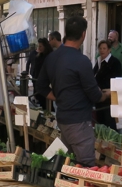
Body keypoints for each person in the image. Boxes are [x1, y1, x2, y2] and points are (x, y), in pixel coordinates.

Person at [35, 16, 109, 166]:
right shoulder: (82, 61)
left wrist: (59, 97)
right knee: (87, 165)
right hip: (79, 121)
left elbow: (40, 87)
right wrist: (106, 95)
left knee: (68, 163)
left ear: (65, 33)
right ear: (83, 34)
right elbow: (95, 95)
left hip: (62, 118)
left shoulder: (51, 58)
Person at [93, 39, 122, 128]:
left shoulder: (115, 62)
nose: (102, 50)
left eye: (104, 48)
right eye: (100, 48)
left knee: (110, 122)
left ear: (109, 49)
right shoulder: (99, 61)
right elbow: (93, 74)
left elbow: (117, 78)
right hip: (99, 95)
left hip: (110, 96)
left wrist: (109, 90)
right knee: (100, 120)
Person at [31, 38, 53, 108]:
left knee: (46, 103)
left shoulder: (49, 57)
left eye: (41, 46)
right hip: (38, 81)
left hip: (45, 83)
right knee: (41, 102)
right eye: (38, 46)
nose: (39, 48)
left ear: (45, 46)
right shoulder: (39, 56)